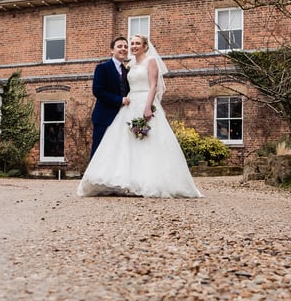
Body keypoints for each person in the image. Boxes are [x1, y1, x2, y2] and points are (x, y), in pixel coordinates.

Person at [78, 34, 202, 198]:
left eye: (136, 44)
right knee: (124, 144)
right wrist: (122, 100)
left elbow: (153, 86)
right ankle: (119, 181)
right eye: (131, 43)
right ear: (112, 50)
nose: (132, 46)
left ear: (145, 46)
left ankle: (150, 181)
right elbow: (101, 90)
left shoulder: (150, 61)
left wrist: (148, 107)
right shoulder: (128, 65)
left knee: (148, 141)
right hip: (128, 106)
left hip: (144, 103)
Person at [89, 36, 131, 159]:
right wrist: (119, 100)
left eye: (125, 46)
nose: (123, 49)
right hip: (104, 117)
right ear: (112, 50)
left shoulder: (128, 71)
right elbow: (98, 91)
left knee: (117, 154)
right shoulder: (103, 68)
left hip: (122, 117)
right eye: (119, 46)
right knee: (99, 151)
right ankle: (92, 178)